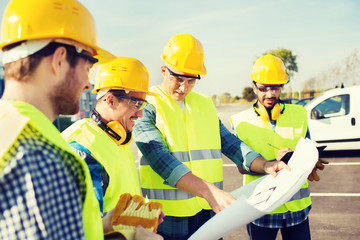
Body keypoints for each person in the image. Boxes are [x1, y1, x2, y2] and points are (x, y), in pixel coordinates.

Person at [133, 33, 290, 240]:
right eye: (178, 79)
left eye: (191, 81)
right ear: (164, 70)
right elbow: (161, 160)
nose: (184, 87)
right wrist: (210, 192)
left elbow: (231, 144)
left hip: (208, 211)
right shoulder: (145, 105)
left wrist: (265, 165)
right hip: (168, 217)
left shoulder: (205, 104)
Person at [0, 0, 115, 239]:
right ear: (59, 59)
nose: (88, 84)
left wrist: (103, 226)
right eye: (88, 66)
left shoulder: (8, 127)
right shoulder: (45, 159)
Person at [62, 56, 163, 239]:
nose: (140, 113)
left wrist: (138, 216)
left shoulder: (116, 138)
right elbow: (82, 231)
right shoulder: (83, 148)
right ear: (110, 100)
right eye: (136, 103)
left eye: (143, 104)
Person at [229, 54, 312, 240]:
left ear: (282, 86)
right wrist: (273, 164)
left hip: (296, 209)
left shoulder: (300, 114)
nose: (269, 94)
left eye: (274, 88)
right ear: (254, 87)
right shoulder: (241, 122)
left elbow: (308, 149)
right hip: (260, 209)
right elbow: (241, 167)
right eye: (263, 88)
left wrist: (310, 162)